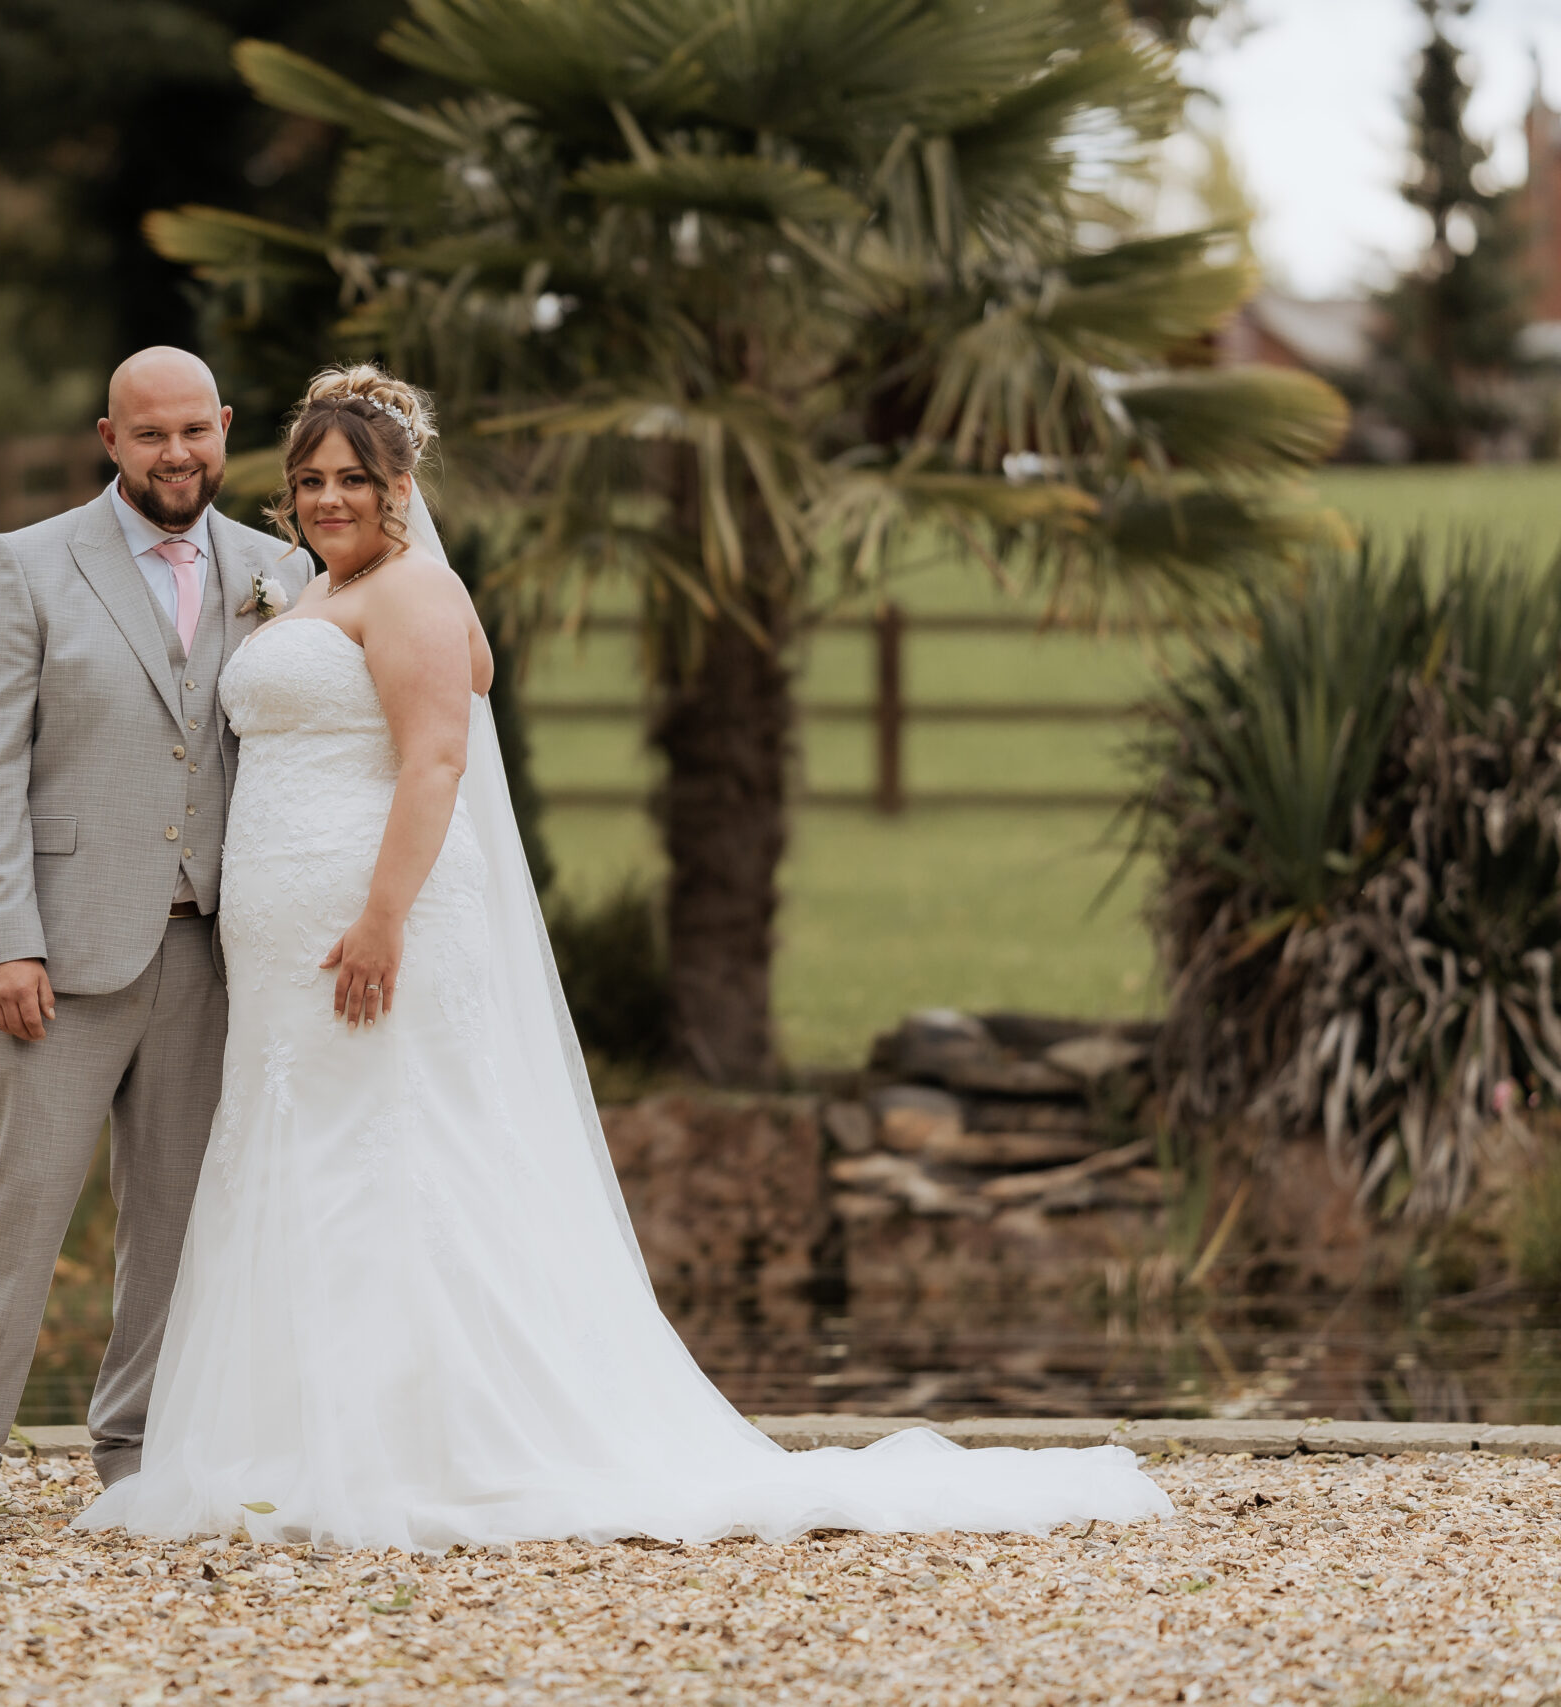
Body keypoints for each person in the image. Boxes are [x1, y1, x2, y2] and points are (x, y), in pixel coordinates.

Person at [74, 366, 1173, 1549]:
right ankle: (287, 1438)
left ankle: (431, 1442)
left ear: (402, 487)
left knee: (396, 1161)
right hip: (285, 950)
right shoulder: (302, 591)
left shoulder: (412, 595)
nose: (329, 498)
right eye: (309, 481)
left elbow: (436, 761)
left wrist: (383, 915)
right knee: (296, 1159)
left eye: (354, 479)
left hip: (372, 932)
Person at [0, 348, 313, 1529]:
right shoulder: (25, 566)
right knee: (18, 1200)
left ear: (224, 429)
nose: (175, 454)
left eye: (195, 431)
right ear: (108, 438)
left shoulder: (278, 569)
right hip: (60, 949)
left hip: (217, 947)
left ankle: (136, 1450)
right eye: (149, 436)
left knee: (176, 1214)